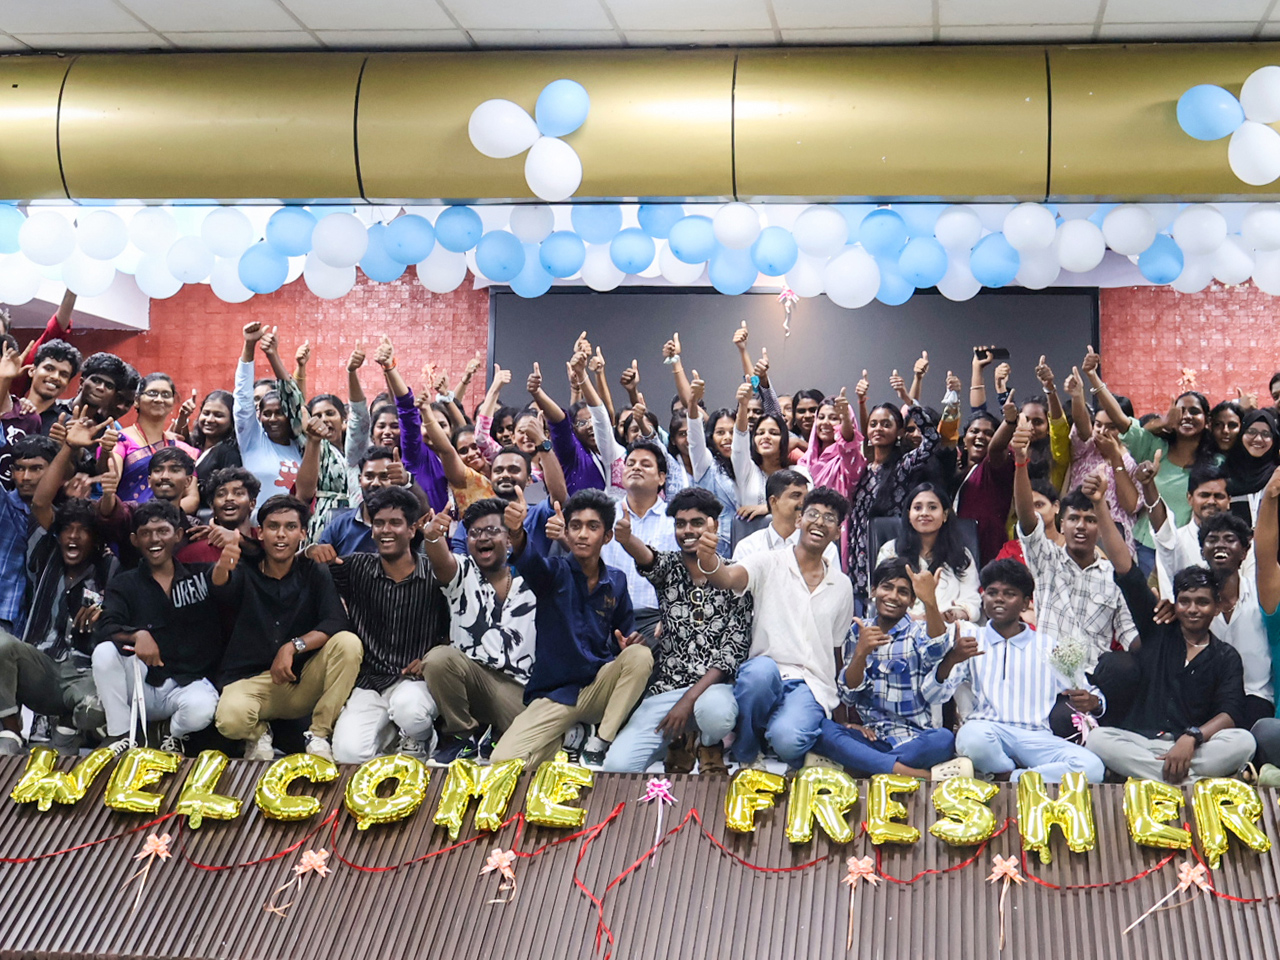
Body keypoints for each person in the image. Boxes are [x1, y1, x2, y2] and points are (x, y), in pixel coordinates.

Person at [1085, 471, 1254, 784]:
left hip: (1192, 747)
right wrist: (1099, 506)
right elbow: (1127, 570)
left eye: (1202, 602)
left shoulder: (1225, 656)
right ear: (1174, 603)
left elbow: (1230, 712)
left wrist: (1191, 738)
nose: (1193, 609)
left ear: (1216, 607)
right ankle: (1187, 781)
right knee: (1098, 739)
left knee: (1243, 741)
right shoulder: (1158, 629)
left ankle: (1159, 776)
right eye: (1185, 601)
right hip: (1142, 742)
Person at [489, 489, 651, 768]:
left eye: (592, 527)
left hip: (598, 688)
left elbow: (626, 635)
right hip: (556, 695)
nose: (582, 535)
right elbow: (530, 561)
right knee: (503, 762)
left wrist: (629, 643)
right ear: (566, 532)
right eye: (575, 526)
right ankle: (568, 737)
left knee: (640, 656)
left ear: (607, 536)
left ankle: (600, 742)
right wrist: (515, 532)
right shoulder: (553, 573)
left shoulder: (617, 581)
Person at [697, 487, 854, 766]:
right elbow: (727, 578)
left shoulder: (842, 585)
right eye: (813, 514)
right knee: (759, 674)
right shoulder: (768, 562)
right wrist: (709, 559)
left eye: (829, 518)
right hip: (766, 673)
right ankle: (747, 749)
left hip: (810, 683)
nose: (820, 522)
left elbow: (836, 649)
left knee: (788, 742)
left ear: (837, 532)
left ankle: (778, 730)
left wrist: (842, 714)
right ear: (799, 520)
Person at [603, 488, 751, 774]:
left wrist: (688, 701)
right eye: (680, 524)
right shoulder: (670, 567)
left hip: (715, 690)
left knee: (716, 715)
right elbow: (648, 558)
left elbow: (732, 653)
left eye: (697, 522)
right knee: (618, 766)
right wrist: (627, 539)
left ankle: (707, 743)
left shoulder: (735, 574)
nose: (687, 530)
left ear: (714, 526)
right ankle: (681, 740)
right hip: (668, 689)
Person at [924, 559, 1106, 783]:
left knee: (1092, 767)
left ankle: (1007, 776)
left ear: (1025, 603)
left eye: (1009, 594)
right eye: (992, 593)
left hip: (1037, 738)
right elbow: (933, 695)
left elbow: (1091, 693)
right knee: (971, 737)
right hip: (988, 732)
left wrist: (1094, 702)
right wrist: (952, 659)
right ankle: (1016, 774)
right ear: (983, 598)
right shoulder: (971, 639)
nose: (999, 599)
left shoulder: (1048, 647)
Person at [212, 495, 360, 761]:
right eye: (273, 526)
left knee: (348, 643)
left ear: (303, 533)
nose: (281, 534)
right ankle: (259, 733)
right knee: (230, 721)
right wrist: (223, 565)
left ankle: (318, 734)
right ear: (260, 533)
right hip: (253, 682)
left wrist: (292, 647)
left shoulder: (313, 571)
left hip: (302, 678)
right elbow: (221, 588)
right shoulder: (245, 570)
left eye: (290, 527)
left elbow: (335, 622)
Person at [1013, 428, 1140, 738]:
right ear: (1062, 522)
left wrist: (1163, 636)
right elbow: (1027, 519)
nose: (1081, 526)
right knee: (1066, 724)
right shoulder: (1046, 560)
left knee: (1129, 666)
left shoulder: (1113, 576)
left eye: (1090, 519)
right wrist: (1020, 462)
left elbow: (1131, 637)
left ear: (1100, 525)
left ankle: (1108, 727)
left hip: (1095, 683)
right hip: (1049, 679)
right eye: (1074, 519)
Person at [325, 487, 448, 764]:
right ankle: (392, 738)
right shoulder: (357, 567)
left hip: (416, 681)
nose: (385, 530)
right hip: (371, 682)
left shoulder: (435, 573)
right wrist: (312, 551)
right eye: (379, 523)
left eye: (395, 523)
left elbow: (455, 629)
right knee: (347, 755)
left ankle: (420, 738)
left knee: (410, 711)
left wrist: (433, 657)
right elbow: (306, 571)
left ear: (412, 529)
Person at [93, 500, 225, 754]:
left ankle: (171, 734)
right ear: (134, 539)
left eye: (163, 531)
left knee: (201, 709)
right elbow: (106, 626)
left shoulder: (201, 576)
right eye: (146, 533)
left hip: (187, 683)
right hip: (140, 684)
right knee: (104, 652)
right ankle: (121, 734)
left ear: (178, 535)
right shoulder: (124, 583)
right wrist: (137, 635)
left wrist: (229, 558)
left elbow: (230, 589)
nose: (154, 539)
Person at [812, 560, 966, 778]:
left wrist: (930, 602)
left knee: (943, 739)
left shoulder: (918, 631)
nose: (893, 596)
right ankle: (912, 774)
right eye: (887, 587)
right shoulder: (858, 631)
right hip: (870, 737)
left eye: (903, 592)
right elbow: (849, 696)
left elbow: (937, 649)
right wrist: (861, 653)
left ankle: (861, 766)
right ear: (874, 590)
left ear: (912, 600)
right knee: (823, 730)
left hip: (915, 740)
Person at [418, 497, 538, 764]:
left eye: (492, 530)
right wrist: (433, 537)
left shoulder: (534, 578)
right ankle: (463, 737)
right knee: (438, 659)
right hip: (471, 679)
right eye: (474, 533)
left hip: (519, 689)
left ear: (509, 539)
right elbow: (441, 562)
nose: (483, 537)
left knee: (530, 751)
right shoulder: (462, 572)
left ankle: (496, 734)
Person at [0, 498, 115, 756]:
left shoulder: (109, 567)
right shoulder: (46, 556)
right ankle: (11, 733)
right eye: (67, 529)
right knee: (1, 644)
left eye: (83, 530)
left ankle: (67, 728)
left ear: (95, 539)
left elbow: (122, 616)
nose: (73, 536)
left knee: (95, 709)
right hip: (42, 667)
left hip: (83, 674)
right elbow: (40, 502)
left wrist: (105, 614)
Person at [1089, 345, 1215, 575]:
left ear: (1207, 420)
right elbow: (1121, 420)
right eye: (1181, 410)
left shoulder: (1215, 462)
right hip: (1148, 547)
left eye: (1195, 411)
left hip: (1192, 548)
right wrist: (1093, 378)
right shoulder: (1155, 447)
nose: (1187, 416)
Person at [1151, 504, 1273, 725]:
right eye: (1212, 539)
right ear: (1202, 551)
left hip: (1254, 696)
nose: (1220, 545)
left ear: (1244, 552)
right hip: (1204, 699)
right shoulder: (1193, 606)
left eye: (1229, 539)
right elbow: (1165, 540)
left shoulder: (1261, 596)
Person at [848, 400, 940, 607]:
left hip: (889, 552)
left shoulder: (902, 467)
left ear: (899, 432)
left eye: (886, 424)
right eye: (873, 424)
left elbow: (932, 440)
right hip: (857, 559)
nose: (878, 429)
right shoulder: (862, 468)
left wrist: (910, 403)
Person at [599, 439, 678, 642]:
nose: (636, 468)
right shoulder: (604, 517)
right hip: (606, 616)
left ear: (661, 478)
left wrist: (669, 616)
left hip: (657, 620)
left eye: (645, 464)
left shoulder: (675, 522)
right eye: (631, 463)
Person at [877, 482, 979, 622]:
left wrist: (951, 615)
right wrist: (916, 619)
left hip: (950, 628)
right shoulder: (890, 551)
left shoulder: (961, 555)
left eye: (932, 507)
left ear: (945, 515)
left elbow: (972, 602)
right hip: (903, 627)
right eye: (917, 508)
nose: (924, 513)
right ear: (909, 514)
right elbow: (882, 597)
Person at [233, 323, 300, 513]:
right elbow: (243, 399)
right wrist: (249, 346)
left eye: (280, 413)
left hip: (294, 526)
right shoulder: (252, 440)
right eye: (267, 414)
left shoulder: (302, 445)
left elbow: (297, 400)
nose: (273, 419)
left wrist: (274, 354)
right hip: (257, 526)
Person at [0, 435, 61, 635]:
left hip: (35, 627)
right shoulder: (3, 505)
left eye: (36, 468)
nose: (25, 477)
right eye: (19, 468)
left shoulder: (64, 517)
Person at [797, 388, 865, 567]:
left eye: (834, 418)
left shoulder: (849, 460)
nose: (825, 422)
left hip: (836, 534)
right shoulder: (804, 461)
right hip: (806, 532)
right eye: (821, 417)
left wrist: (845, 419)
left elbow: (848, 443)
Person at [113, 373, 200, 504]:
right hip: (130, 515)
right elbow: (110, 484)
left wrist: (163, 513)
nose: (159, 399)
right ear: (136, 400)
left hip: (170, 516)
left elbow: (192, 498)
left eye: (166, 395)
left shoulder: (181, 448)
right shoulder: (119, 440)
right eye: (152, 393)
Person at [307, 446, 405, 558]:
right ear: (360, 480)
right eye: (369, 476)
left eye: (384, 477)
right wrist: (311, 552)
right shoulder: (339, 526)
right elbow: (317, 560)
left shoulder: (406, 525)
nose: (375, 483)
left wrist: (407, 481)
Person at [733, 469, 838, 565]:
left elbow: (834, 580)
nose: (804, 503)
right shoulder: (748, 548)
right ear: (774, 501)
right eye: (796, 496)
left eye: (806, 498)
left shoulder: (823, 547)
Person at [1225, 408, 1280, 526]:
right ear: (1241, 434)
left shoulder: (1277, 476)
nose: (1258, 439)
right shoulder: (1225, 473)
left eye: (1266, 434)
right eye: (1251, 432)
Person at [186, 390, 241, 486]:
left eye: (218, 415)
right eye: (206, 413)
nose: (209, 420)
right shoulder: (195, 445)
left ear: (232, 420)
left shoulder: (228, 453)